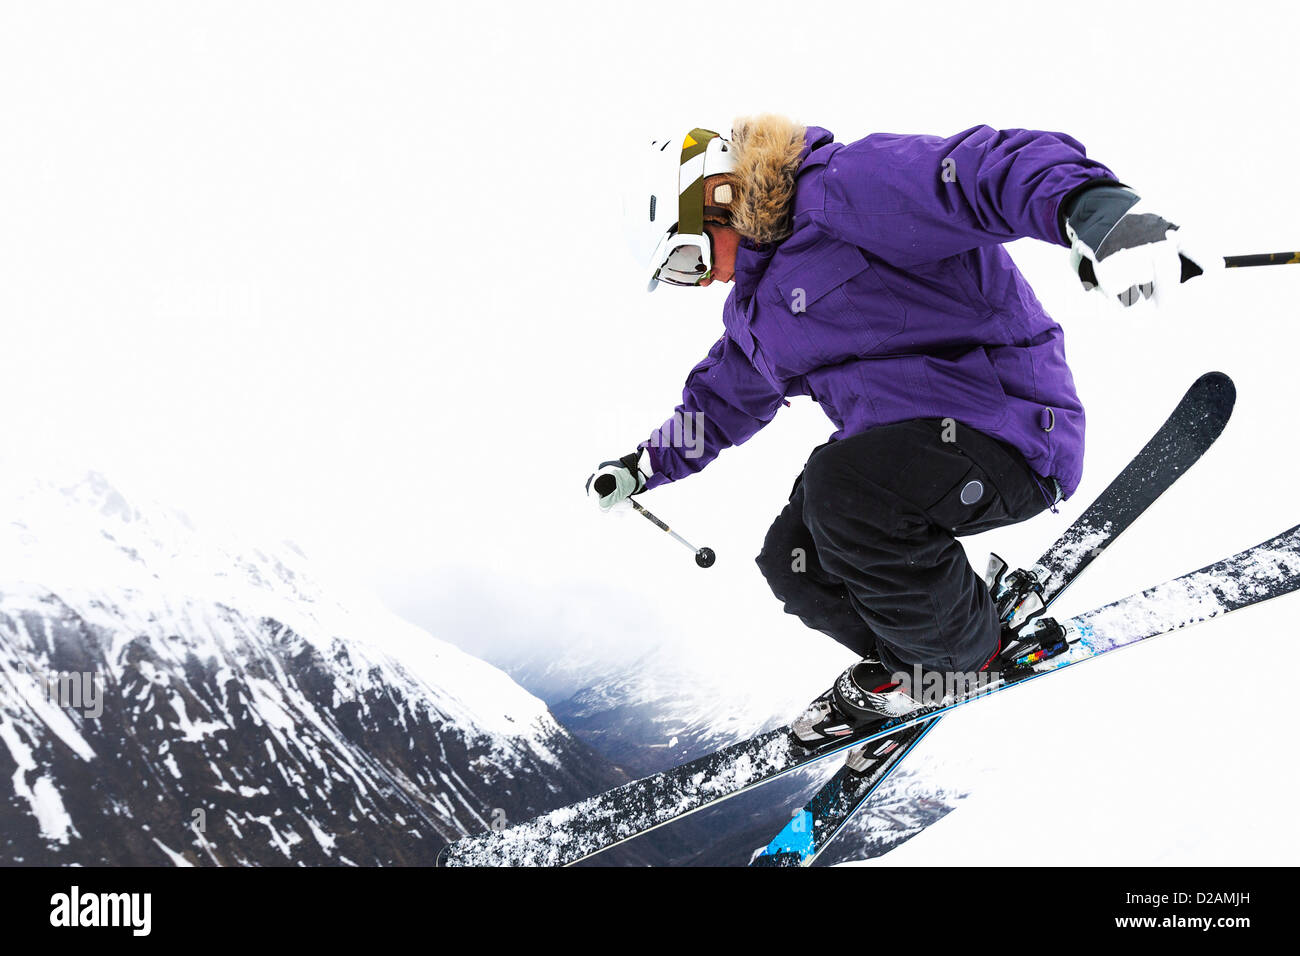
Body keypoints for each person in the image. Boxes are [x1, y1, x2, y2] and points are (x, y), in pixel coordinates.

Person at [587, 115, 1215, 747]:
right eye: (680, 277)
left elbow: (978, 172)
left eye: (688, 259)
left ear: (718, 194)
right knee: (793, 561)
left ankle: (959, 658)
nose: (703, 280)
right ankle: (917, 659)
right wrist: (643, 466)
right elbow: (720, 402)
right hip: (905, 465)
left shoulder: (841, 191)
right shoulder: (759, 313)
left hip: (1008, 429)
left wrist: (1093, 207)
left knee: (840, 488)